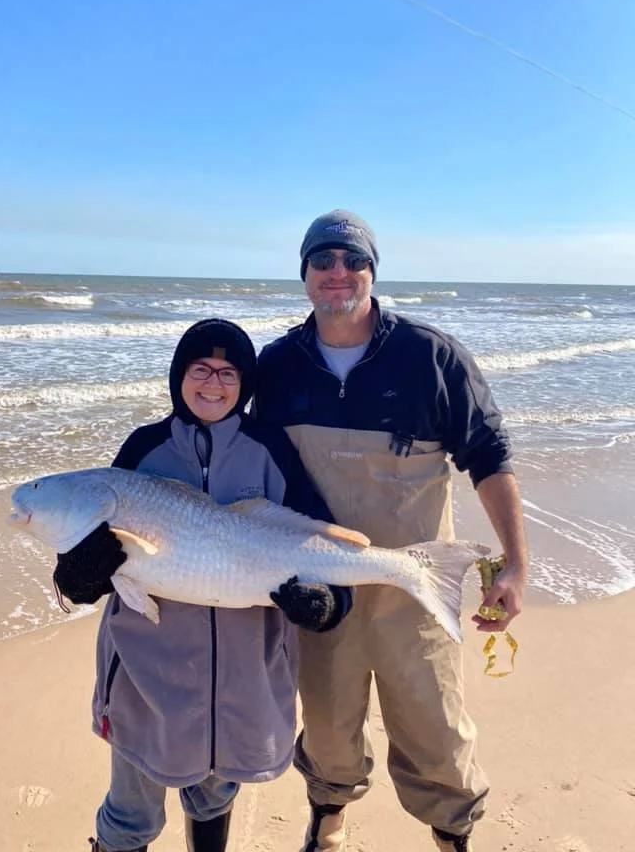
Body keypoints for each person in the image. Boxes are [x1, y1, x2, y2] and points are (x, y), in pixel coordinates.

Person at [253, 210, 528, 852]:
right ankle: (329, 818)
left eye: (353, 260)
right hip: (323, 588)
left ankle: (452, 832)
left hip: (416, 586)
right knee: (325, 725)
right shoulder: (277, 367)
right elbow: (246, 467)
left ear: (373, 271)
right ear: (305, 274)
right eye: (322, 260)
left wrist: (516, 565)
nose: (337, 273)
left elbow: (489, 456)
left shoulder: (430, 357)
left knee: (434, 726)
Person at [53, 319, 353, 852]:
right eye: (200, 369)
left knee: (215, 797)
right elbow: (84, 566)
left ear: (245, 385)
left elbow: (315, 535)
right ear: (178, 376)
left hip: (246, 674)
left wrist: (331, 602)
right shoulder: (142, 449)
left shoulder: (270, 449)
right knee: (130, 815)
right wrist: (77, 576)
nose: (212, 384)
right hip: (146, 677)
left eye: (228, 373)